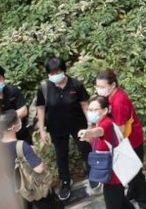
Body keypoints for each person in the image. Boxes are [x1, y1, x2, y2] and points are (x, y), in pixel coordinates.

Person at [94, 70, 146, 209]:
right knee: (131, 173)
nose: (99, 90)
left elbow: (120, 131)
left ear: (112, 85)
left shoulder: (119, 101)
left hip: (131, 142)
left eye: (102, 86)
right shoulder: (110, 97)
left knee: (135, 174)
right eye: (97, 86)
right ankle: (133, 193)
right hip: (128, 140)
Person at [35, 58, 91, 201]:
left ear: (64, 70)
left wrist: (90, 124)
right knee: (61, 155)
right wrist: (42, 130)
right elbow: (40, 108)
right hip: (56, 126)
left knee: (85, 148)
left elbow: (85, 105)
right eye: (51, 73)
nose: (55, 75)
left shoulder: (75, 84)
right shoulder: (44, 87)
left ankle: (93, 173)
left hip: (78, 123)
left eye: (57, 72)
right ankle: (65, 182)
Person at [73, 96, 133, 209]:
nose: (91, 113)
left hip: (114, 176)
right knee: (122, 203)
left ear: (105, 110)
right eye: (89, 110)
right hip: (110, 174)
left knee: (113, 204)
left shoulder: (106, 123)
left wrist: (88, 133)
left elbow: (99, 131)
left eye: (95, 110)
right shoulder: (98, 123)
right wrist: (89, 136)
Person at [0, 109, 62, 208]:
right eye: (18, 120)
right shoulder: (22, 146)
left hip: (18, 191)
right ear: (13, 127)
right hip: (35, 190)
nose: (20, 122)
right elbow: (39, 169)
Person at [0, 65, 30, 143]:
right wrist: (14, 116)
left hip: (22, 135)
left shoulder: (13, 91)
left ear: (4, 79)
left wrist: (1, 121)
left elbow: (24, 111)